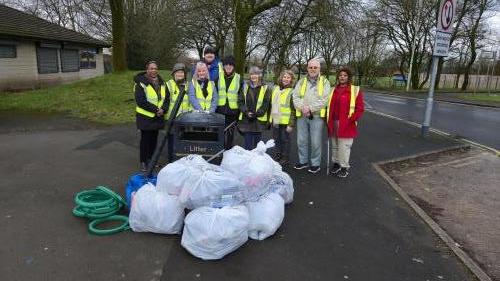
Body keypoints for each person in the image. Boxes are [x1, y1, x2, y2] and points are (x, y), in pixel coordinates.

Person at [292, 58, 331, 173]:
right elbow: (295, 97)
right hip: (302, 116)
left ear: (319, 69)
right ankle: (303, 161)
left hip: (316, 116)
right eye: (310, 67)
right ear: (307, 68)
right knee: (301, 140)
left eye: (315, 67)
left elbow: (324, 100)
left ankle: (315, 164)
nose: (313, 69)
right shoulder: (301, 81)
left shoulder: (325, 82)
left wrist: (310, 108)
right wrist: (302, 108)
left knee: (315, 142)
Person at [326, 66, 364, 178]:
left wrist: (351, 119)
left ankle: (344, 167)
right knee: (335, 145)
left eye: (345, 75)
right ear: (338, 77)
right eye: (340, 75)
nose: (342, 77)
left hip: (347, 124)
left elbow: (360, 108)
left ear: (348, 77)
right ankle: (336, 164)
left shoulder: (355, 90)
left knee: (344, 146)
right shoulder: (333, 90)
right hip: (334, 122)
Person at [134, 61, 170, 172]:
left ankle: (151, 160)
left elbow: (167, 98)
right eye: (151, 68)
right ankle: (144, 162)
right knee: (145, 141)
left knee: (154, 140)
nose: (154, 70)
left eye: (155, 68)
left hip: (157, 117)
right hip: (145, 117)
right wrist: (156, 110)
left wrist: (163, 109)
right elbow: (141, 101)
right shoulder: (140, 83)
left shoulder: (162, 83)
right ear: (147, 69)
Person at [238, 66, 271, 150]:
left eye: (256, 74)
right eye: (252, 74)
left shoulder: (265, 88)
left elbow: (266, 103)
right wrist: (246, 112)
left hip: (258, 122)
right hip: (247, 120)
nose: (254, 76)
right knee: (248, 147)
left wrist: (256, 114)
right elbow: (240, 101)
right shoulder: (245, 86)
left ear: (259, 75)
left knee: (257, 148)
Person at [269, 69, 296, 166]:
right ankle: (278, 154)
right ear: (281, 78)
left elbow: (293, 110)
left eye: (288, 77)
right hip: (276, 120)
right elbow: (272, 105)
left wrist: (291, 124)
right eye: (284, 77)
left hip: (286, 122)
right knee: (276, 139)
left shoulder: (292, 92)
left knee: (285, 140)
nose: (286, 79)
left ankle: (285, 157)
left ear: (291, 80)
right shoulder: (275, 89)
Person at [215, 55, 242, 149]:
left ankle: (229, 151)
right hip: (220, 110)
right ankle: (220, 152)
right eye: (226, 64)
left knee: (230, 134)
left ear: (233, 66)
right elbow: (214, 94)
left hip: (232, 111)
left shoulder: (239, 78)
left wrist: (240, 111)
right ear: (224, 66)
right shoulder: (218, 77)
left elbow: (241, 96)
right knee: (220, 133)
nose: (228, 66)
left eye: (231, 64)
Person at [166, 63, 190, 162]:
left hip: (185, 118)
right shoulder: (168, 85)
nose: (180, 74)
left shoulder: (188, 85)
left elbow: (191, 101)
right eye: (177, 72)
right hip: (172, 118)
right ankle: (171, 161)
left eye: (181, 72)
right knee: (171, 141)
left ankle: (182, 161)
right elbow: (165, 101)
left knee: (183, 141)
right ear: (173, 74)